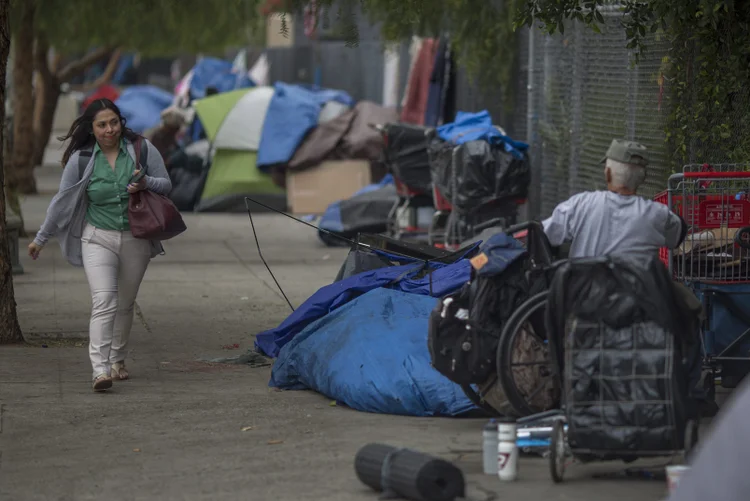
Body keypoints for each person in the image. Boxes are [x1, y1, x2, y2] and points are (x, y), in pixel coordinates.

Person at [542, 139, 716, 415]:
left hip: (584, 299)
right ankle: (693, 394)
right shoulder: (656, 214)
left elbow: (546, 235)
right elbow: (678, 236)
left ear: (608, 173)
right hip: (640, 304)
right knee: (692, 312)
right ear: (643, 178)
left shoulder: (580, 205)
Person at [27, 99, 172, 392]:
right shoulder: (82, 158)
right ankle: (100, 369)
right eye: (102, 125)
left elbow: (167, 185)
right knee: (105, 301)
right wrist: (41, 238)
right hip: (97, 237)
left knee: (126, 303)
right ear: (91, 129)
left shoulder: (142, 149)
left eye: (114, 122)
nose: (109, 129)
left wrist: (146, 185)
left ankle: (117, 359)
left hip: (136, 237)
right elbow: (62, 200)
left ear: (121, 122)